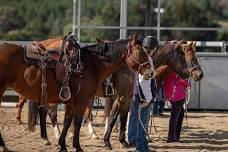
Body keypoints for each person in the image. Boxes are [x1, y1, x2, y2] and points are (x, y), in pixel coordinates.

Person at [128, 36, 159, 152]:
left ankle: (136, 143)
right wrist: (148, 99)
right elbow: (144, 81)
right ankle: (141, 147)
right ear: (154, 48)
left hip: (138, 95)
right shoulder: (147, 59)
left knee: (136, 119)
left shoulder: (143, 58)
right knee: (141, 123)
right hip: (144, 96)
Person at [163, 71, 190, 143]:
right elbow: (184, 81)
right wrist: (188, 84)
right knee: (175, 116)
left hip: (170, 94)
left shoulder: (168, 71)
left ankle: (176, 136)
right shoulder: (179, 71)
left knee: (180, 114)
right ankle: (171, 137)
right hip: (178, 95)